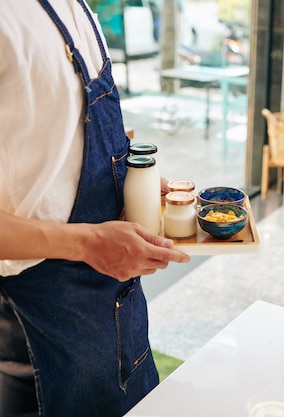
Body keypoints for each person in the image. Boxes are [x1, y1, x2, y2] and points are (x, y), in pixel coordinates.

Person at [0, 1, 190, 416]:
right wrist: (86, 243)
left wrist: (123, 182)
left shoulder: (75, 6)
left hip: (113, 310)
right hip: (39, 324)